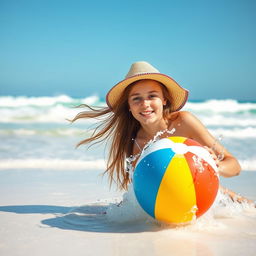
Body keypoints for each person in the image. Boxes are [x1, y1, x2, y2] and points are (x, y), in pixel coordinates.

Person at [72, 61, 254, 205]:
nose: (145, 104)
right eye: (136, 98)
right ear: (128, 106)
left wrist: (215, 167)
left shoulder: (184, 122)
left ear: (164, 100)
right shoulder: (134, 141)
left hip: (212, 199)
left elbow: (235, 166)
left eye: (152, 96)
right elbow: (143, 191)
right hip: (166, 207)